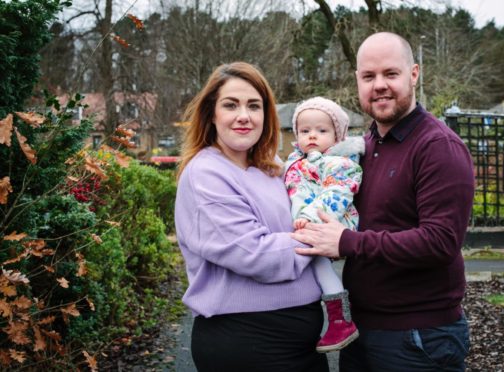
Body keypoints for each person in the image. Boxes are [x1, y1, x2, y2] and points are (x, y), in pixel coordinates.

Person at [292, 32, 475, 371]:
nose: (379, 85)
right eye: (368, 76)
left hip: (418, 336)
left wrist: (348, 242)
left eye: (391, 74)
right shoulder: (364, 147)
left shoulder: (437, 147)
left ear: (414, 74)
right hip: (363, 330)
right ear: (357, 81)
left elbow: (440, 242)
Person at [174, 62, 329, 372]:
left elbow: (314, 206)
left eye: (254, 106)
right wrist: (319, 238)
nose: (244, 115)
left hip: (303, 346)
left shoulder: (272, 166)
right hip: (246, 343)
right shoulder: (206, 174)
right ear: (211, 114)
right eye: (231, 105)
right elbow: (255, 254)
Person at [284, 96, 364, 353]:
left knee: (318, 264)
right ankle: (336, 322)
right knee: (314, 267)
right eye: (305, 131)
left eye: (321, 130)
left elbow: (336, 195)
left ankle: (341, 321)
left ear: (337, 135)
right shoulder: (296, 162)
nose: (312, 136)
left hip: (333, 222)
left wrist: (309, 217)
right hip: (306, 224)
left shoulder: (341, 163)